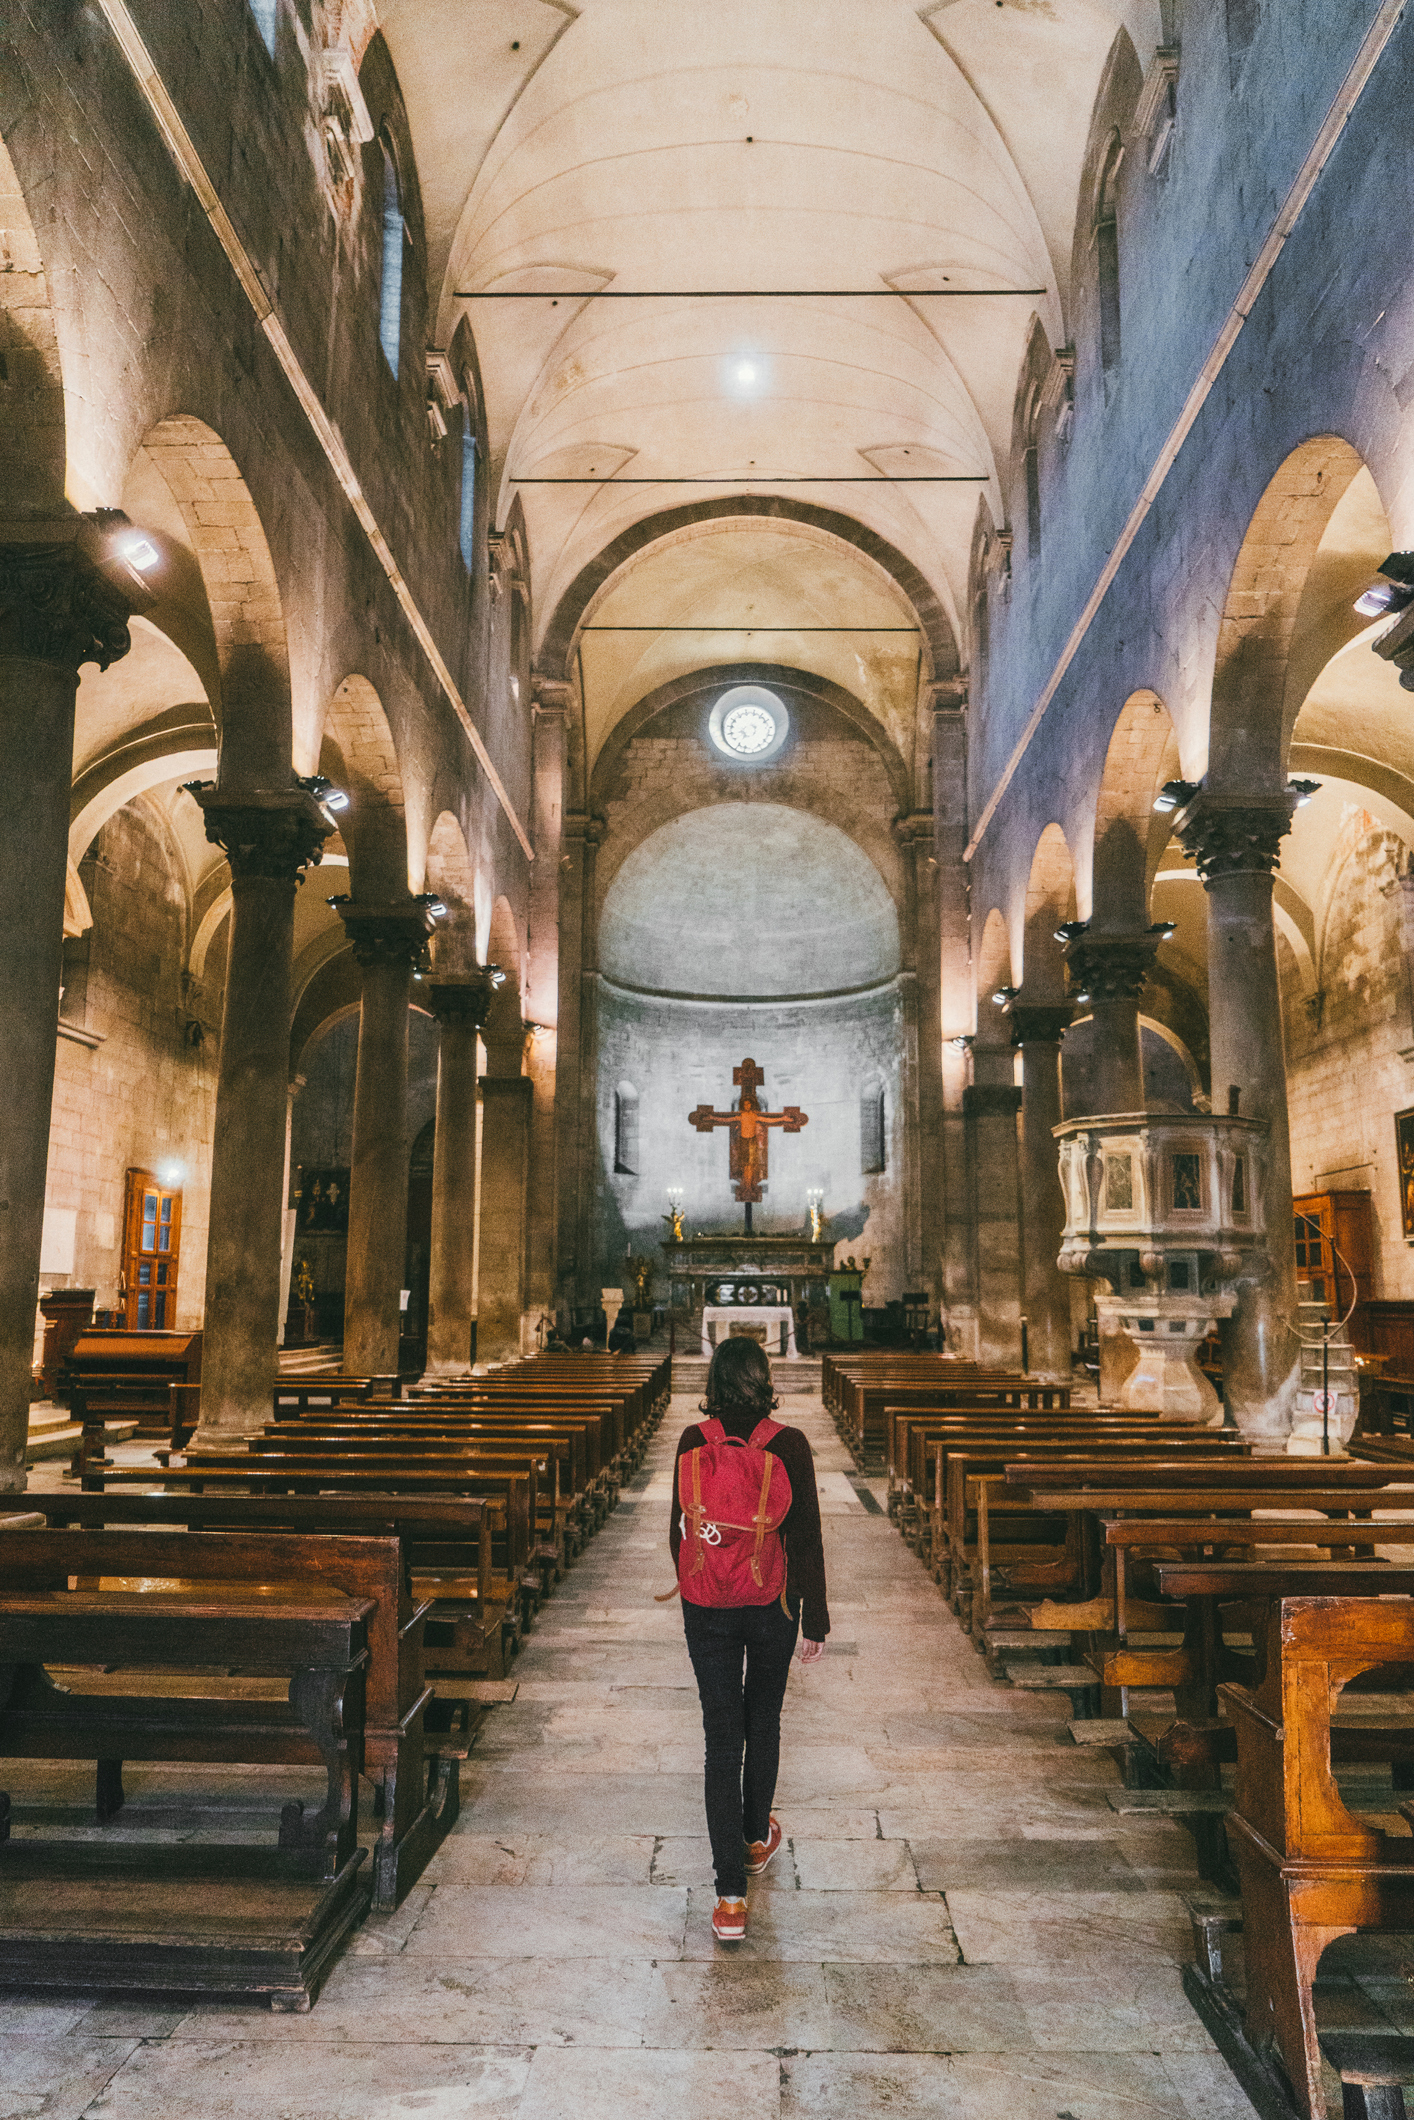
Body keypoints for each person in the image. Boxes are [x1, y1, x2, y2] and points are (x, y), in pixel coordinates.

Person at [668, 1335, 829, 1944]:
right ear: (764, 1380)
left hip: (705, 1607)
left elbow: (678, 1532)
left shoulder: (692, 1443)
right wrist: (815, 1619)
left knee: (719, 1738)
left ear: (712, 1380)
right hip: (771, 1605)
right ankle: (756, 1837)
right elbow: (807, 1536)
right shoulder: (789, 1444)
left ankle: (730, 1899)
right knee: (763, 1720)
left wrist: (699, 1584)